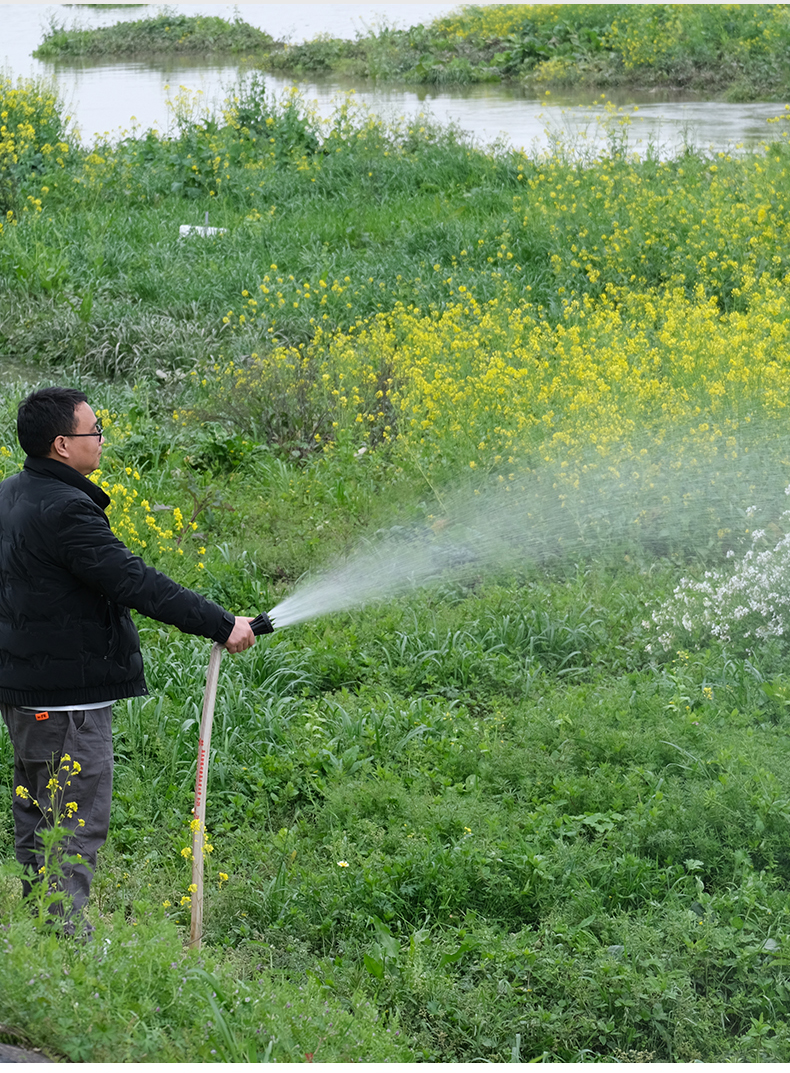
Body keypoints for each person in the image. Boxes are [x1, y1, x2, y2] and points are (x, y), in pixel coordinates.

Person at [0, 386, 256, 937]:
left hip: (24, 696)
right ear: (62, 444)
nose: (101, 439)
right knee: (70, 828)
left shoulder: (10, 494)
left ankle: (40, 941)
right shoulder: (67, 509)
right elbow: (134, 581)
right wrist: (220, 623)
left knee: (40, 819)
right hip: (66, 704)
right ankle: (66, 954)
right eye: (94, 431)